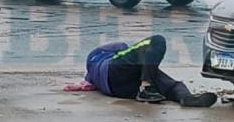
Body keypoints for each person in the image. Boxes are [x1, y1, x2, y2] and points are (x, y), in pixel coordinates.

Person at [83, 35, 218, 107]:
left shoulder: (92, 72)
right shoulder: (106, 52)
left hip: (116, 90)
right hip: (113, 70)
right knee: (157, 40)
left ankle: (186, 99)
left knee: (172, 84)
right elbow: (125, 48)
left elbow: (88, 80)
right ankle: (146, 87)